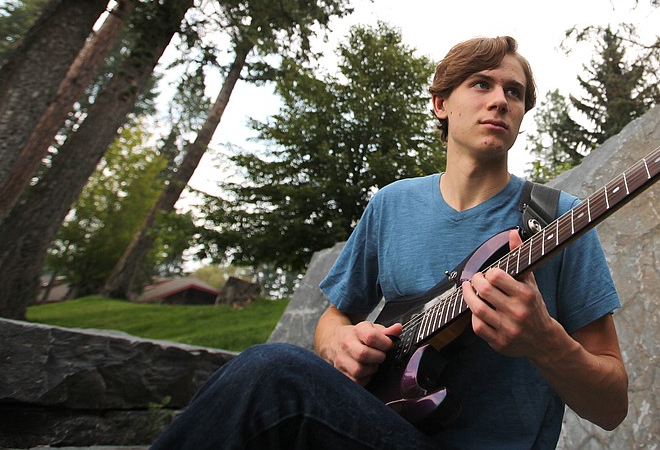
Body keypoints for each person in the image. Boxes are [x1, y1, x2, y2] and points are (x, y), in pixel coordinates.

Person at [150, 36, 627, 449]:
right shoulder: (392, 205)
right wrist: (341, 344)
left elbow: (612, 406)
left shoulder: (560, 219)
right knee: (272, 377)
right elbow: (335, 317)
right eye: (481, 84)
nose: (500, 100)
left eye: (514, 92)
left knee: (272, 373)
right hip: (375, 425)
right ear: (441, 104)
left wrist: (547, 343)